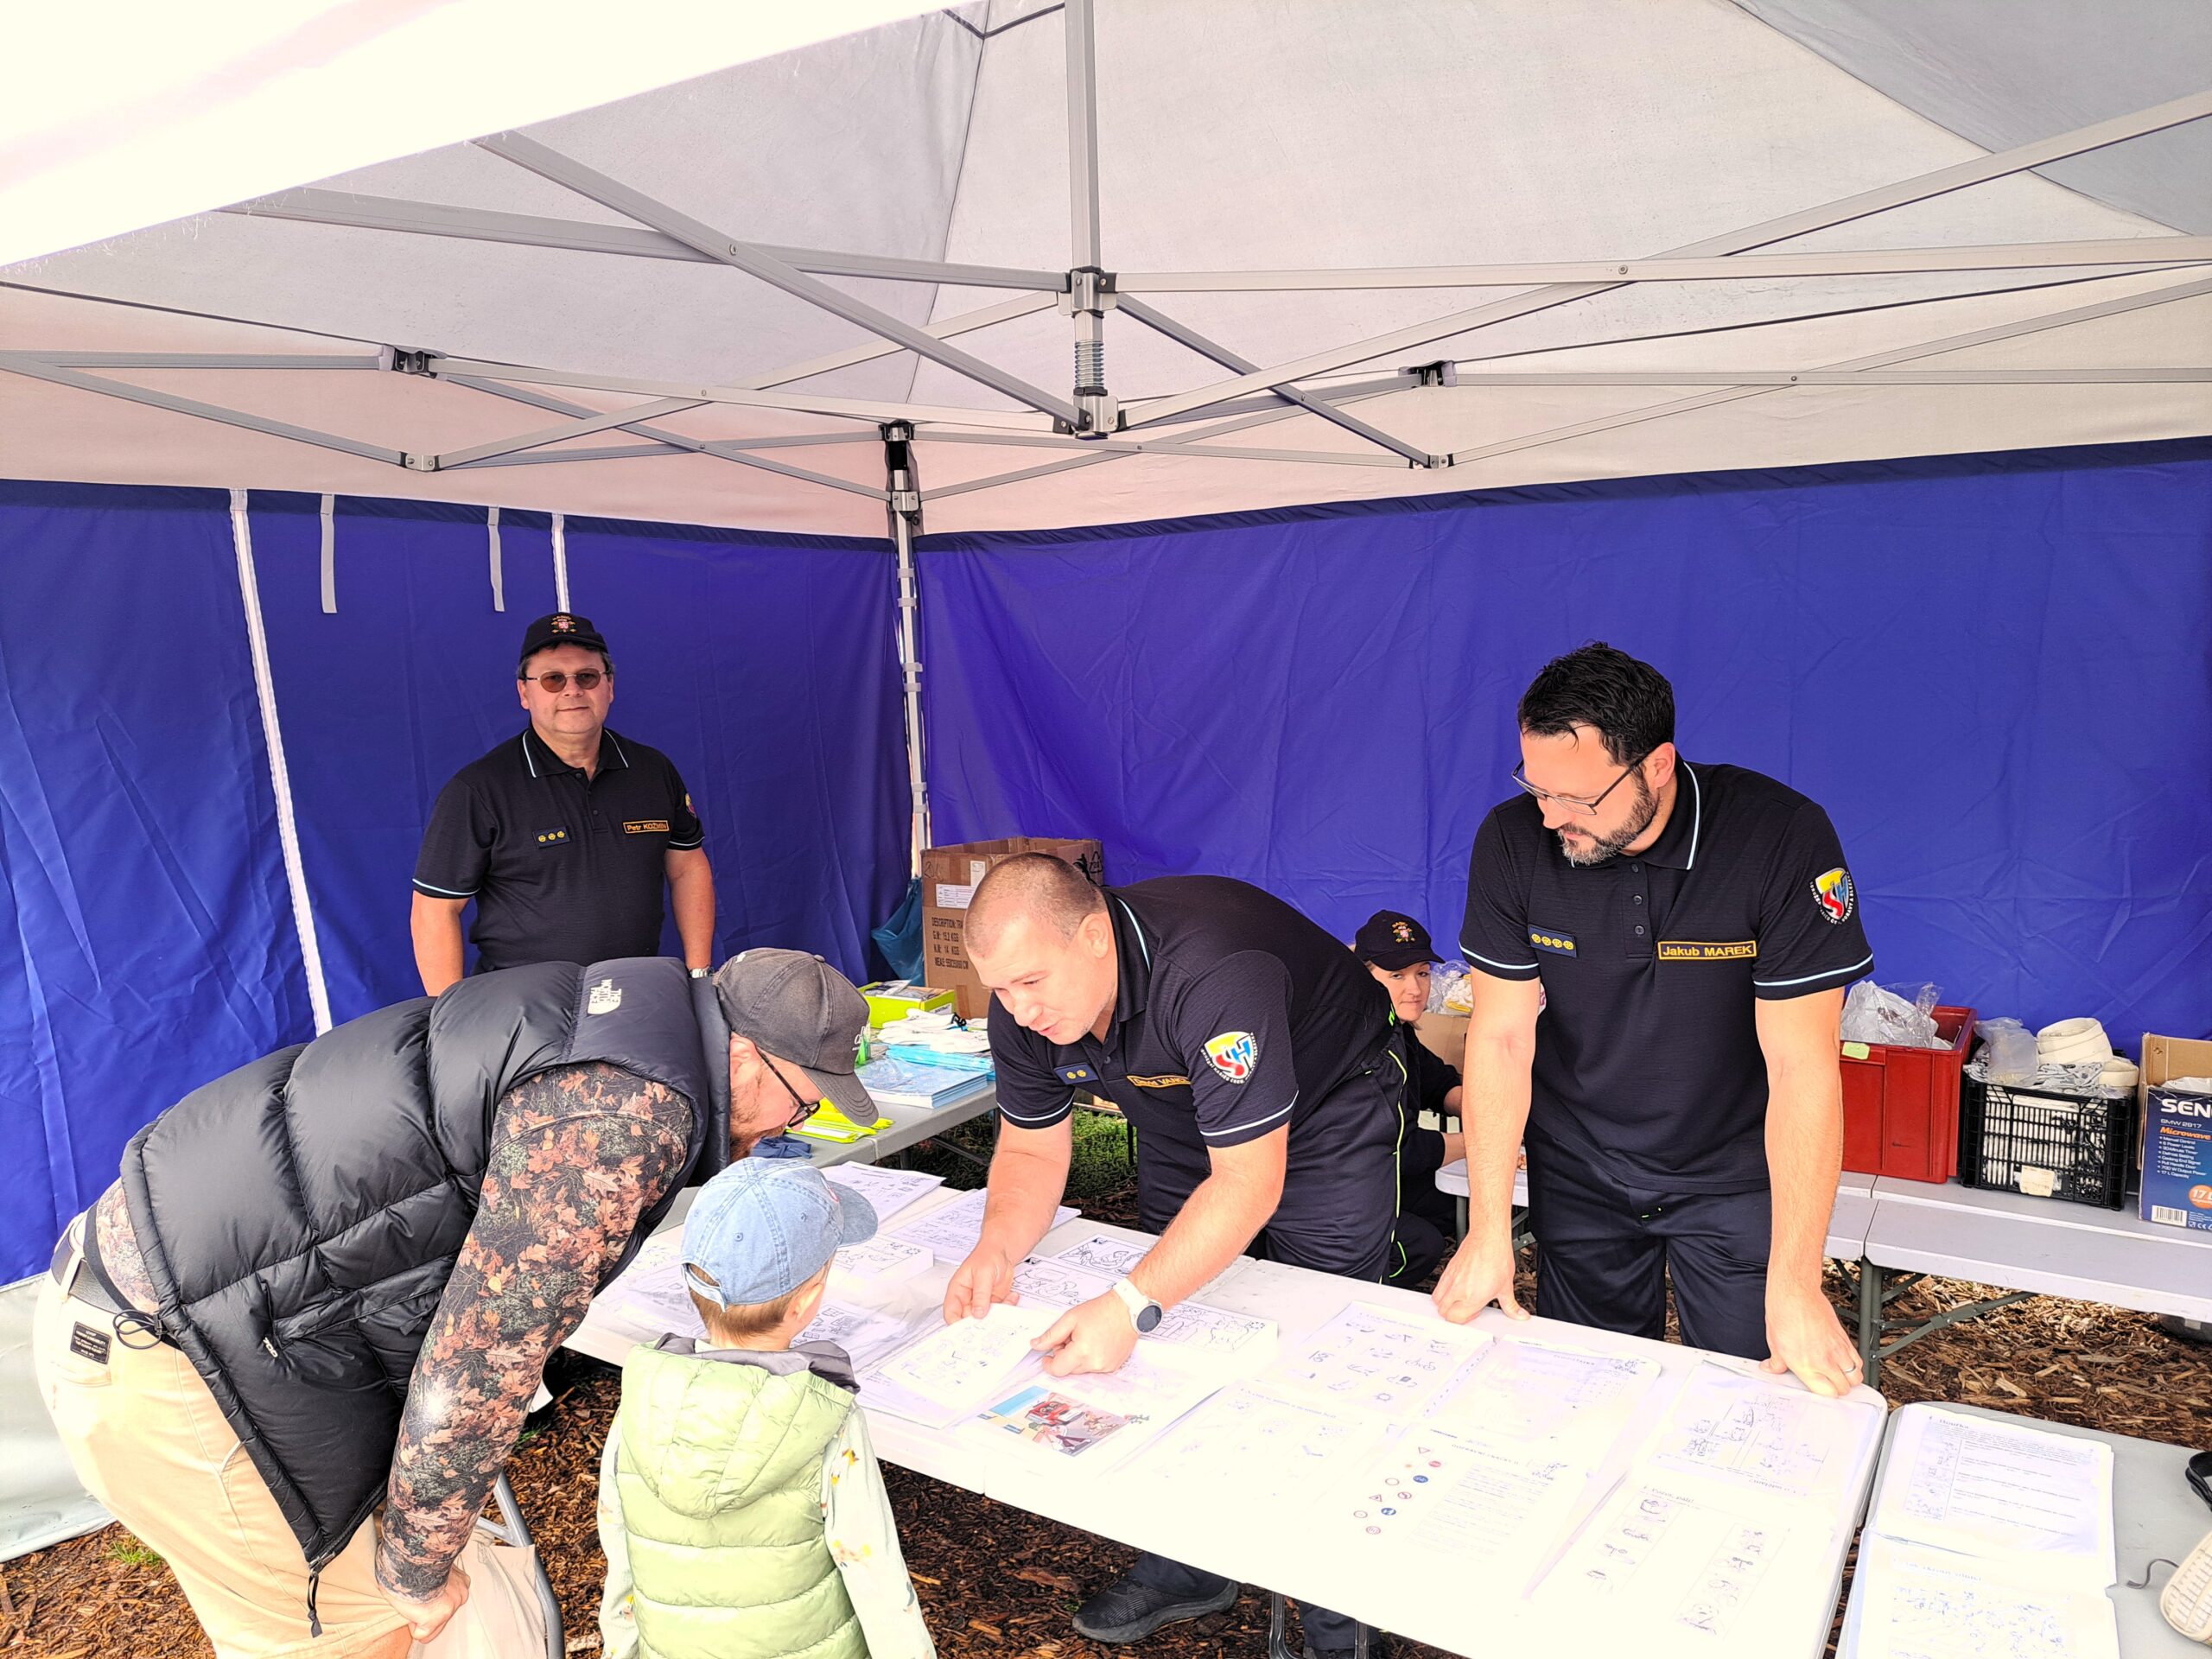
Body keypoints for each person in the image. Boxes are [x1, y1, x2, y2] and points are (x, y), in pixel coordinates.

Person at [33, 948, 874, 1657]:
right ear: (743, 1054)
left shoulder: (614, 1008)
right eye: (802, 1099)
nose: (792, 1123)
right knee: (365, 1631)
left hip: (181, 1291)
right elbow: (482, 1360)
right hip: (178, 1352)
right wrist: (414, 1567)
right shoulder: (625, 1116)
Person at [943, 855, 1400, 1659]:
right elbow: (1031, 1148)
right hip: (1183, 1119)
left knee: (1319, 1354)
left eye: (1031, 983)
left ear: (1094, 936)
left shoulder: (1215, 974)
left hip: (1329, 1106)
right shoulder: (1025, 1005)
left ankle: (1338, 1619)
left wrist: (1127, 1305)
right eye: (1000, 990)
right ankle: (1190, 1560)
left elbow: (1248, 1182)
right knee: (1178, 1327)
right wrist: (997, 1248)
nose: (1019, 1010)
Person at [1434, 643, 1872, 1398]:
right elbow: (1501, 1038)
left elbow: (1803, 1065)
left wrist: (1798, 1282)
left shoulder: (1779, 837)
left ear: (1658, 765)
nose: (1550, 816)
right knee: (1591, 1392)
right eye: (1536, 787)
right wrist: (1488, 1228)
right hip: (1580, 1164)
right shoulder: (1512, 841)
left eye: (1578, 798)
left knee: (1751, 1394)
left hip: (1734, 1173)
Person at [597, 1160, 934, 1659]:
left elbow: (619, 1548)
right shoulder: (823, 1414)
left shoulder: (644, 1397)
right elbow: (872, 1568)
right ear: (806, 1302)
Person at [411, 610, 715, 995]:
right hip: (521, 1005)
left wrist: (699, 975)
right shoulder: (479, 789)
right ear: (525, 693)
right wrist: (450, 1015)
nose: (572, 690)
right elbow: (435, 910)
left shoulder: (653, 771)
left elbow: (687, 867)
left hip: (634, 993)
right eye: (552, 679)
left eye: (586, 677)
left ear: (609, 686)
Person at [1351, 910, 1465, 1286]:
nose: (1414, 989)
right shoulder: (1359, 1044)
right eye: (1396, 976)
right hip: (1337, 1189)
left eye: (1422, 973)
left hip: (1381, 1175)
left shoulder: (1398, 1029)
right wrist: (1484, 1140)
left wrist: (1488, 1109)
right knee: (1418, 1246)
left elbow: (1438, 1083)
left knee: (1453, 1205)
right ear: (1363, 976)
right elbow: (1400, 1148)